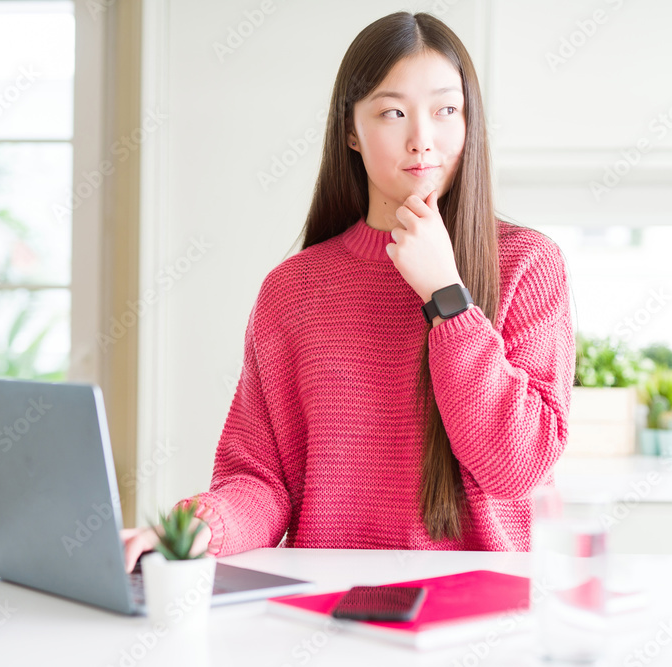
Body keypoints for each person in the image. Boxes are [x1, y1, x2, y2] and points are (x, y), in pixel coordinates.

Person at [123, 10, 575, 573]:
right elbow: (262, 483)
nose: (422, 139)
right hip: (324, 611)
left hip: (478, 619)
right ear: (351, 133)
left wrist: (446, 296)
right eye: (392, 112)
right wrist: (197, 528)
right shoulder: (293, 291)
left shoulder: (528, 264)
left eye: (446, 110)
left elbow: (518, 466)